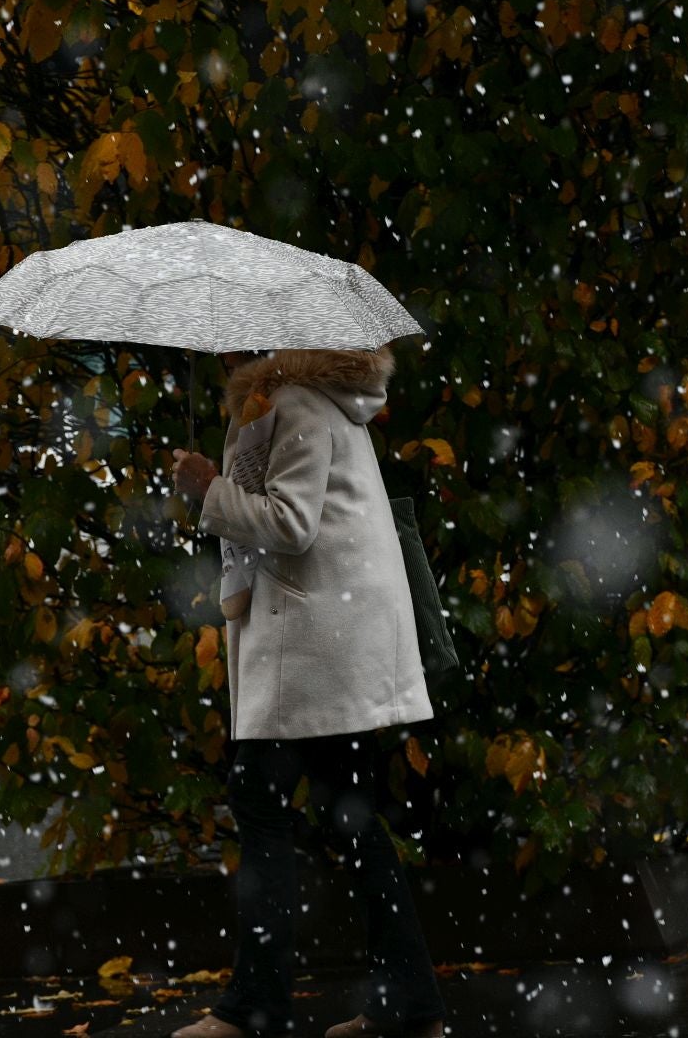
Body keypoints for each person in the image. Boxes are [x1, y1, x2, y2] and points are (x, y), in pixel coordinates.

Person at [167, 345, 447, 1038]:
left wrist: (210, 491)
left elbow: (292, 524)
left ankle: (255, 1008)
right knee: (349, 817)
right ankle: (408, 1005)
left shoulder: (294, 406)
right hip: (333, 642)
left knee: (261, 799)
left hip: (315, 645)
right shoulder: (310, 405)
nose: (221, 347)